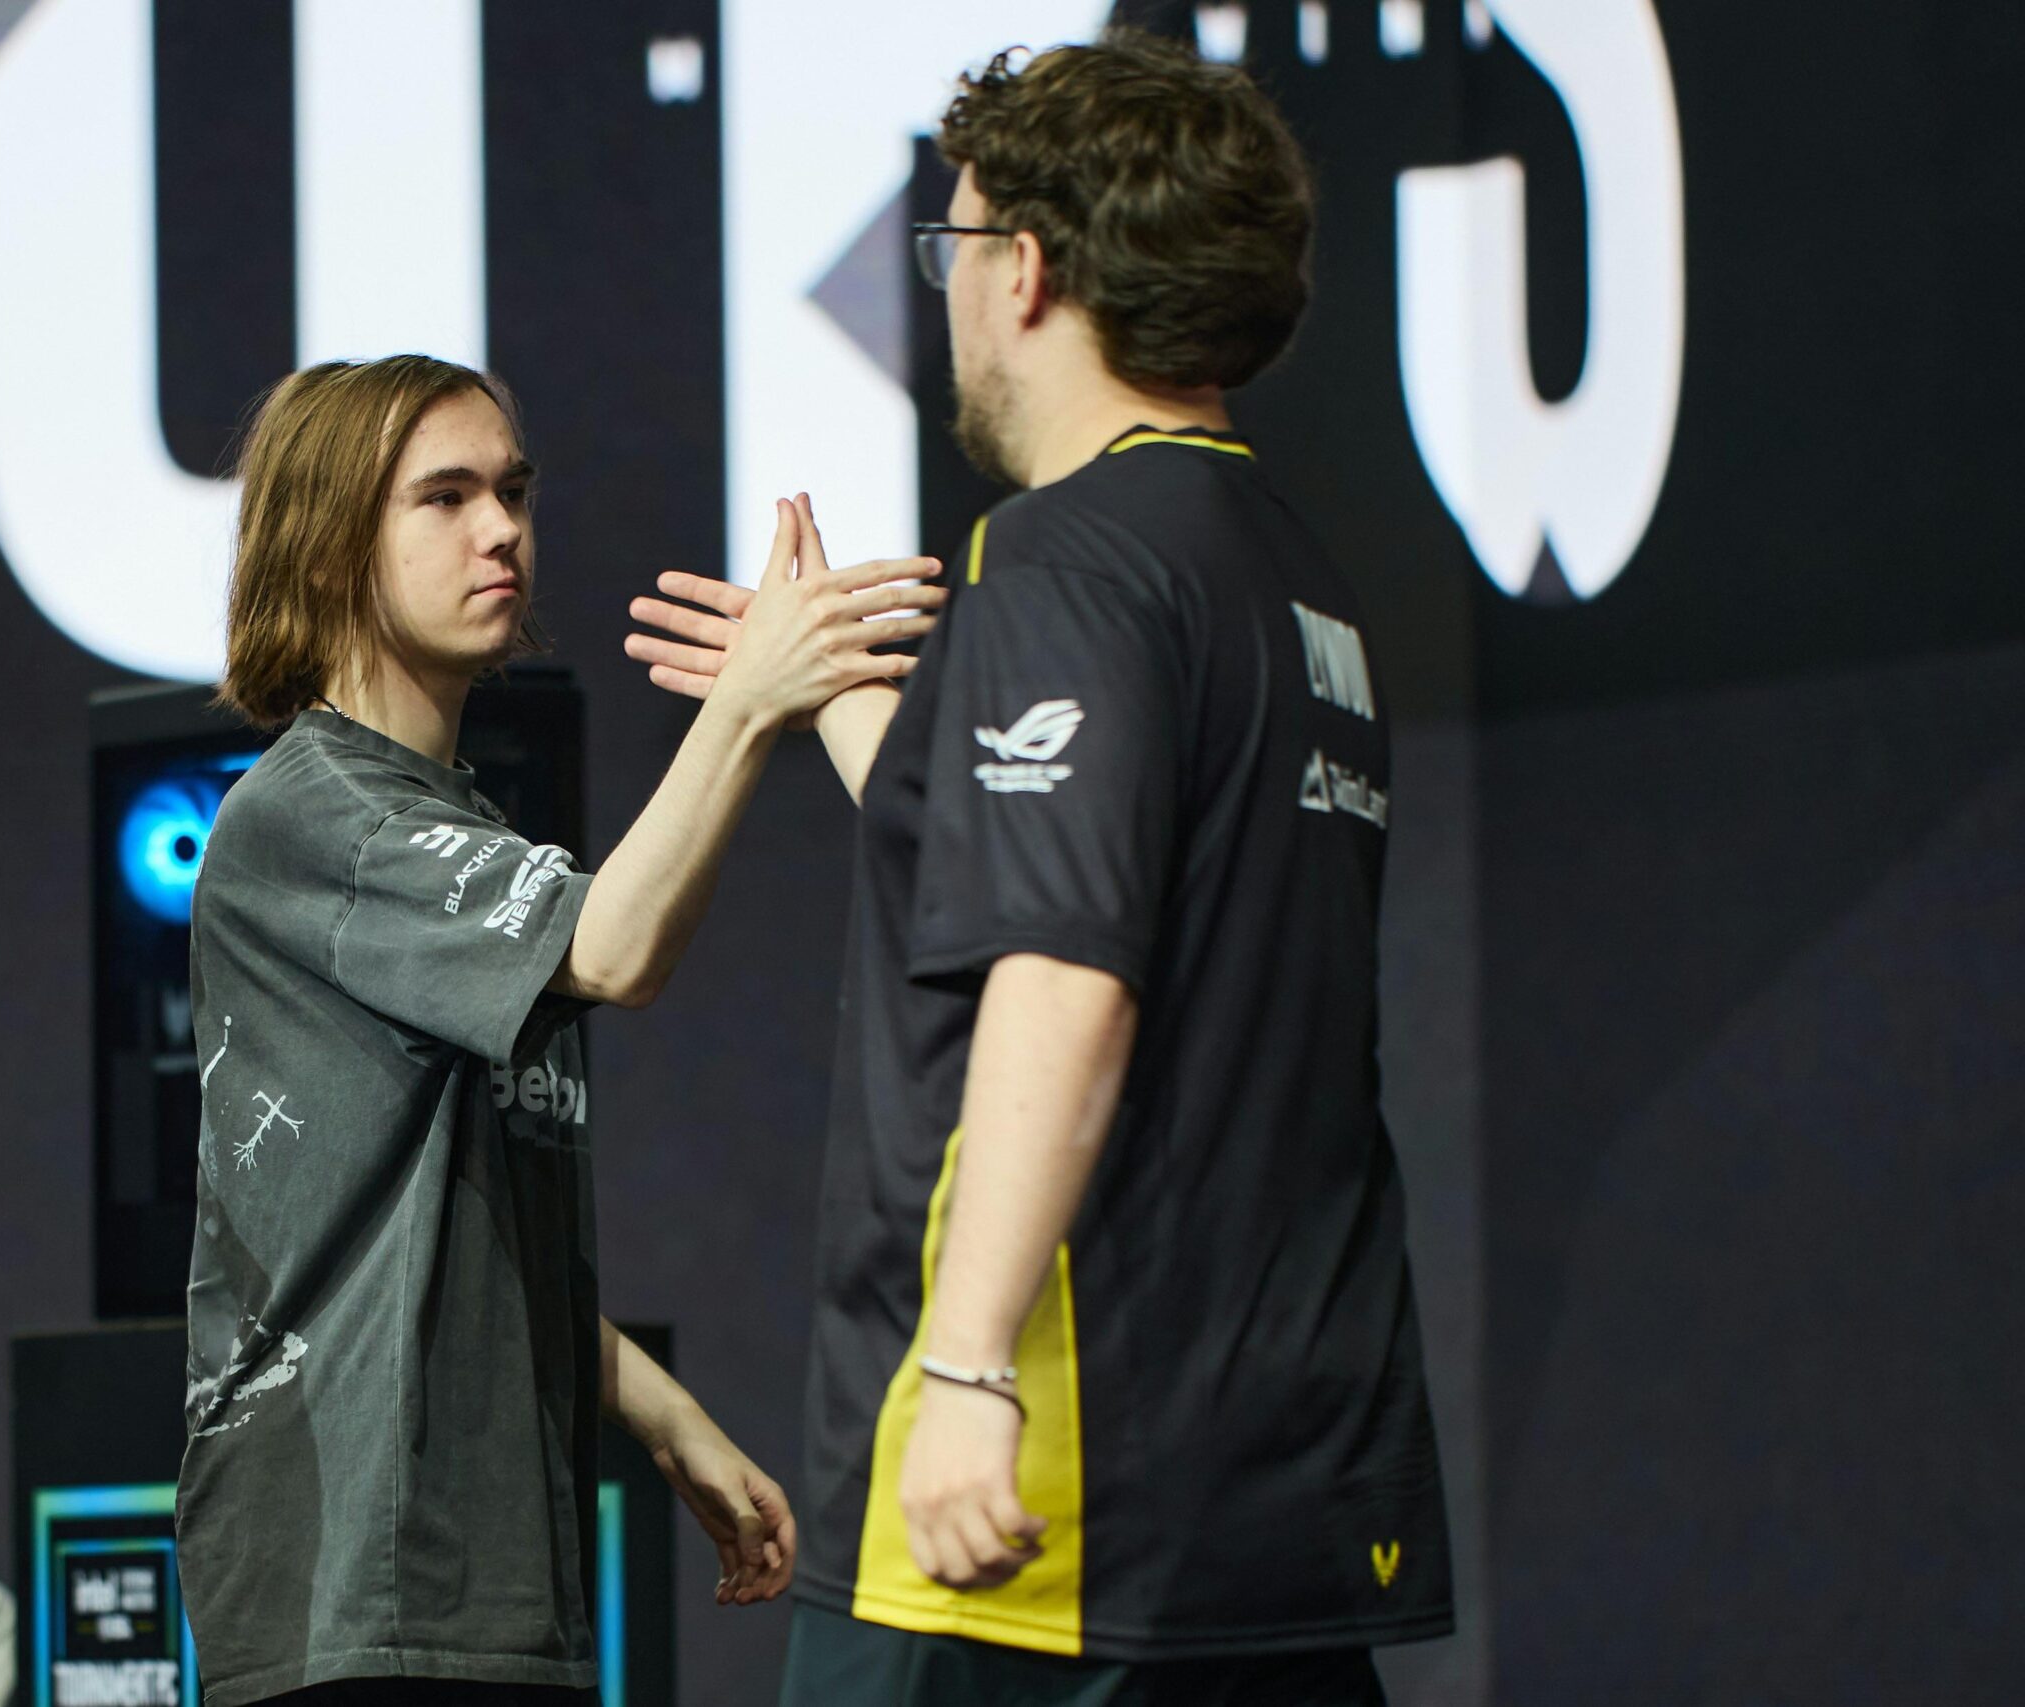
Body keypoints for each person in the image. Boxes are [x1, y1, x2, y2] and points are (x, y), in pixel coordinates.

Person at [625, 31, 1452, 1705]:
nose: (943, 295)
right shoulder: (1282, 572)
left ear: (1027, 269)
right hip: (1273, 1491)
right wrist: (828, 697)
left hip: (1047, 1520)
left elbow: (1069, 969)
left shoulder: (1067, 559)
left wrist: (968, 1368)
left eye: (950, 244)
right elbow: (1064, 859)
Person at [176, 354, 945, 1705]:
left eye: (514, 491)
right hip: (356, 1589)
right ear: (331, 541)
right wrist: (757, 698)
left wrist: (661, 1412)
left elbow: (435, 1229)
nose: (502, 530)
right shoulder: (309, 812)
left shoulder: (448, 823)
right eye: (446, 498)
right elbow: (618, 947)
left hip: (477, 1577)